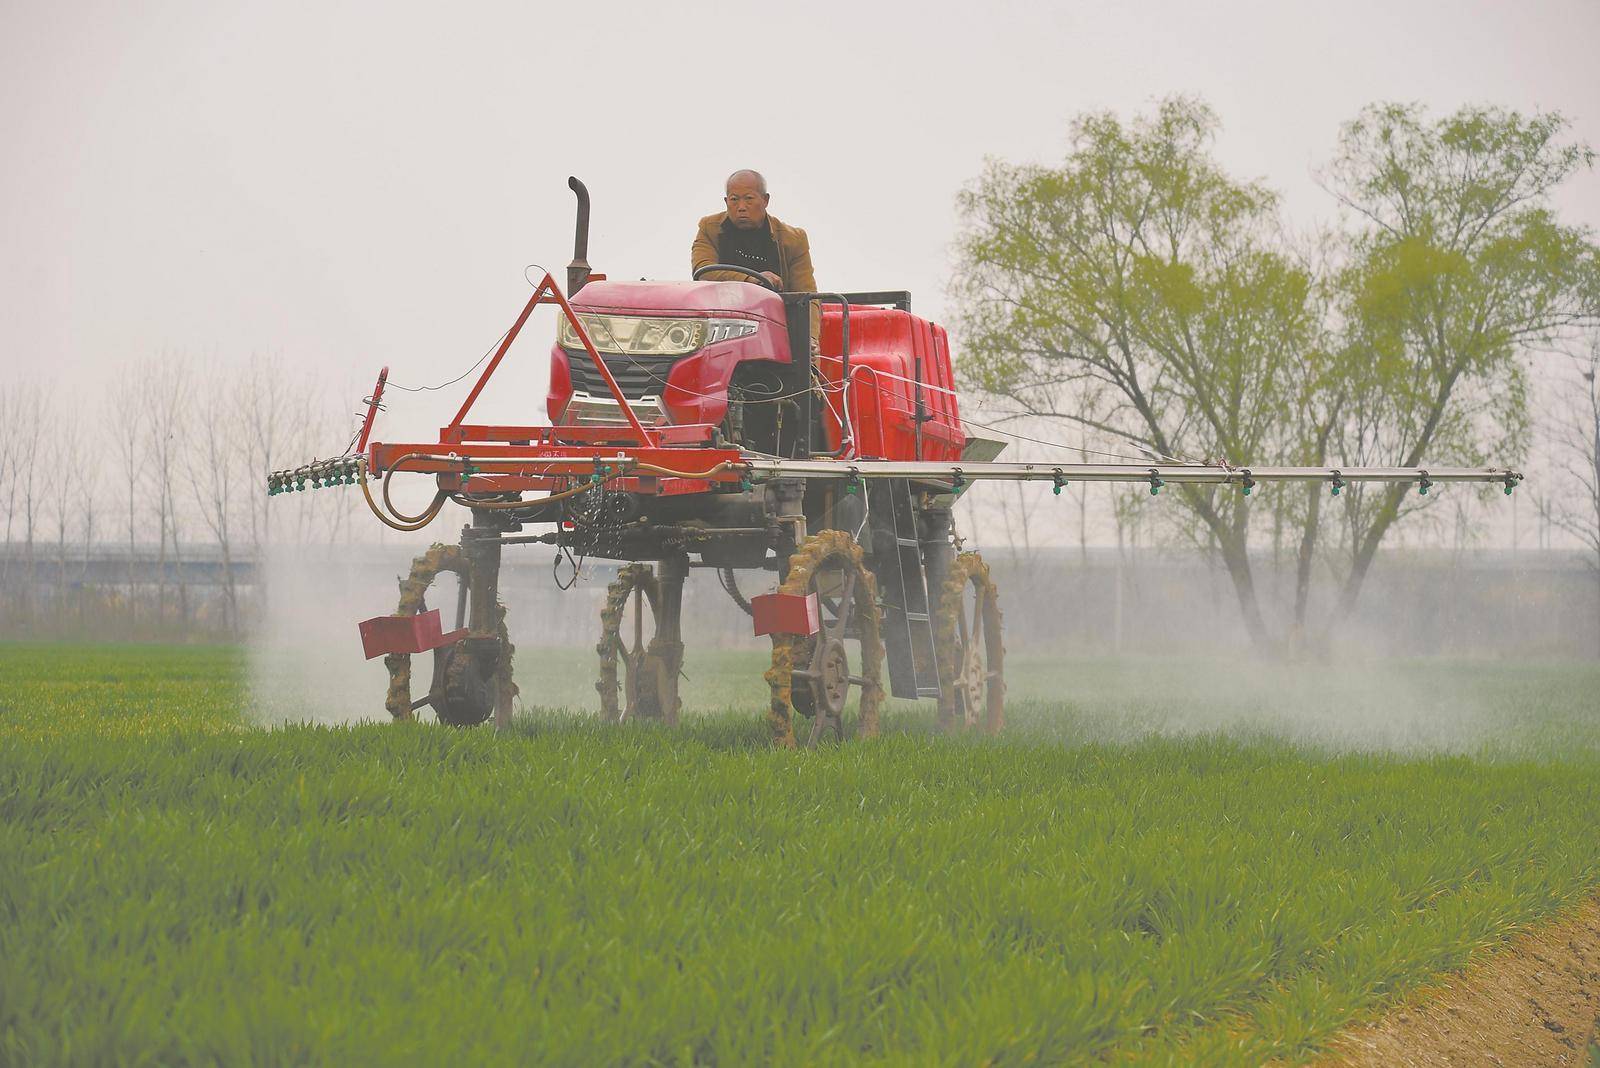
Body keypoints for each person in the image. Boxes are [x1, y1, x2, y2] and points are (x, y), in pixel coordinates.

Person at [691, 170, 816, 293]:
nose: (741, 207)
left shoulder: (793, 239)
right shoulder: (709, 228)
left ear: (765, 200)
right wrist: (753, 280)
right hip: (720, 309)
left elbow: (807, 295)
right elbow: (703, 271)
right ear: (726, 201)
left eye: (749, 198)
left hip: (773, 312)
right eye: (734, 199)